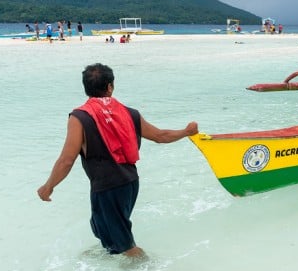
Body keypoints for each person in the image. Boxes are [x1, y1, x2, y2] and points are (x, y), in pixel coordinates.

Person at [37, 63, 198, 259]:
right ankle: (114, 261)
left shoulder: (79, 117)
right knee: (102, 228)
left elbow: (67, 160)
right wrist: (186, 131)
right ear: (110, 86)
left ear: (85, 87)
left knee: (126, 244)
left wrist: (49, 186)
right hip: (129, 183)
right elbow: (160, 136)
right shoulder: (129, 113)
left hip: (107, 188)